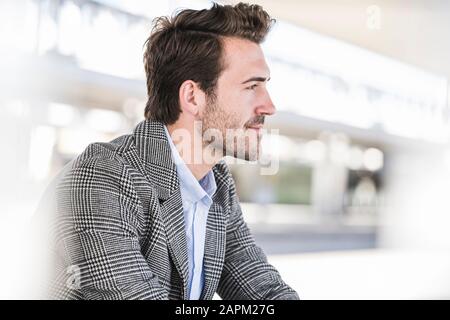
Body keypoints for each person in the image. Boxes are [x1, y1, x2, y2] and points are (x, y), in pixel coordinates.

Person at [47, 2, 299, 300]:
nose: (269, 106)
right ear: (193, 96)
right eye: (251, 87)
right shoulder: (103, 177)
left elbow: (265, 291)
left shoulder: (216, 187)